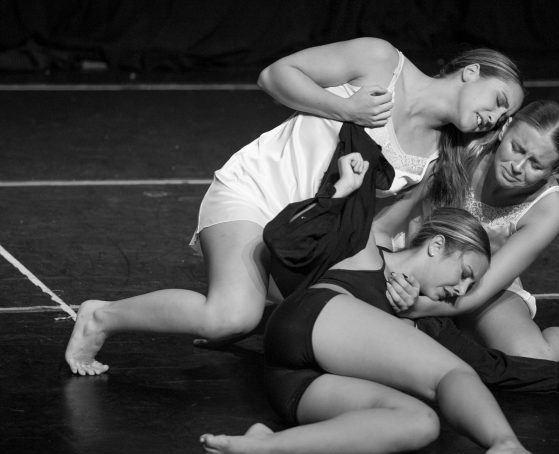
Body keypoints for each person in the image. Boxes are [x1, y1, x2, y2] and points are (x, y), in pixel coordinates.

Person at [64, 37, 525, 376]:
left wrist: (397, 285)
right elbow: (274, 76)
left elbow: (377, 230)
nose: (494, 116)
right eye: (498, 100)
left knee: (347, 327)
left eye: (503, 118)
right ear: (471, 72)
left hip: (307, 234)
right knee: (230, 318)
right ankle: (101, 315)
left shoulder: (434, 155)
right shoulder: (382, 61)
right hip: (258, 194)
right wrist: (345, 109)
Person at [200, 206, 559, 454]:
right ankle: (505, 445)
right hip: (310, 317)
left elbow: (491, 366)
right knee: (450, 376)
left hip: (292, 384)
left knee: (420, 424)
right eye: (465, 274)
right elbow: (286, 236)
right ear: (437, 245)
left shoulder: (424, 316)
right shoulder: (370, 252)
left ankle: (262, 445)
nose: (461, 291)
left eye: (469, 288)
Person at [398, 100, 559, 363]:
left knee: (532, 358)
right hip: (418, 257)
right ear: (505, 128)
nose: (517, 167)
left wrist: (417, 307)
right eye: (517, 149)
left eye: (536, 165)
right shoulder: (467, 148)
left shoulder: (548, 209)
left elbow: (482, 288)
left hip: (481, 284)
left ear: (555, 169)